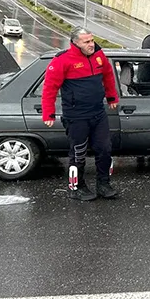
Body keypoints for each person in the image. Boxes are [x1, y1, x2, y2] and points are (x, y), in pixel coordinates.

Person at [43, 27, 120, 201]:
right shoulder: (62, 60)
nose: (91, 44)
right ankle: (76, 187)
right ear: (75, 43)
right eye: (87, 42)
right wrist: (49, 113)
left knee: (105, 149)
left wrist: (111, 97)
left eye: (92, 40)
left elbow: (108, 75)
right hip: (76, 115)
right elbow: (50, 87)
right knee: (78, 153)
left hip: (98, 113)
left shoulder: (99, 56)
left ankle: (103, 184)